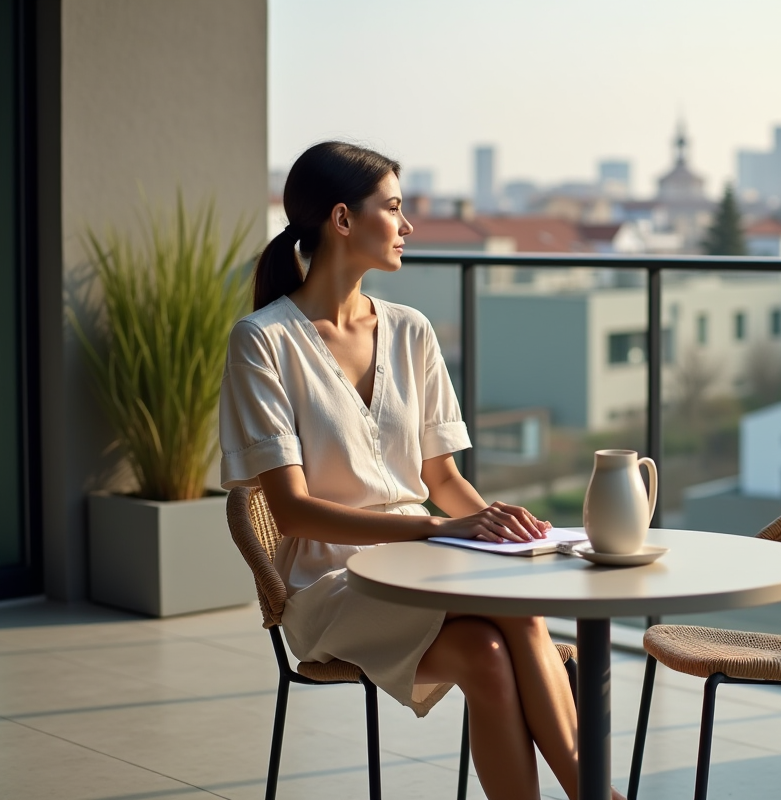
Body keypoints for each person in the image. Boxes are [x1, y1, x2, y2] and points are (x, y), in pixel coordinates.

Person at [219, 141, 624, 800]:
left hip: (424, 566)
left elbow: (443, 481)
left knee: (486, 657)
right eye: (394, 208)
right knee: (517, 613)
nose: (408, 225)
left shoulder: (411, 331)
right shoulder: (262, 341)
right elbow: (291, 512)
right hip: (330, 586)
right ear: (343, 219)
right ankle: (596, 794)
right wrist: (441, 529)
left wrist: (499, 527)